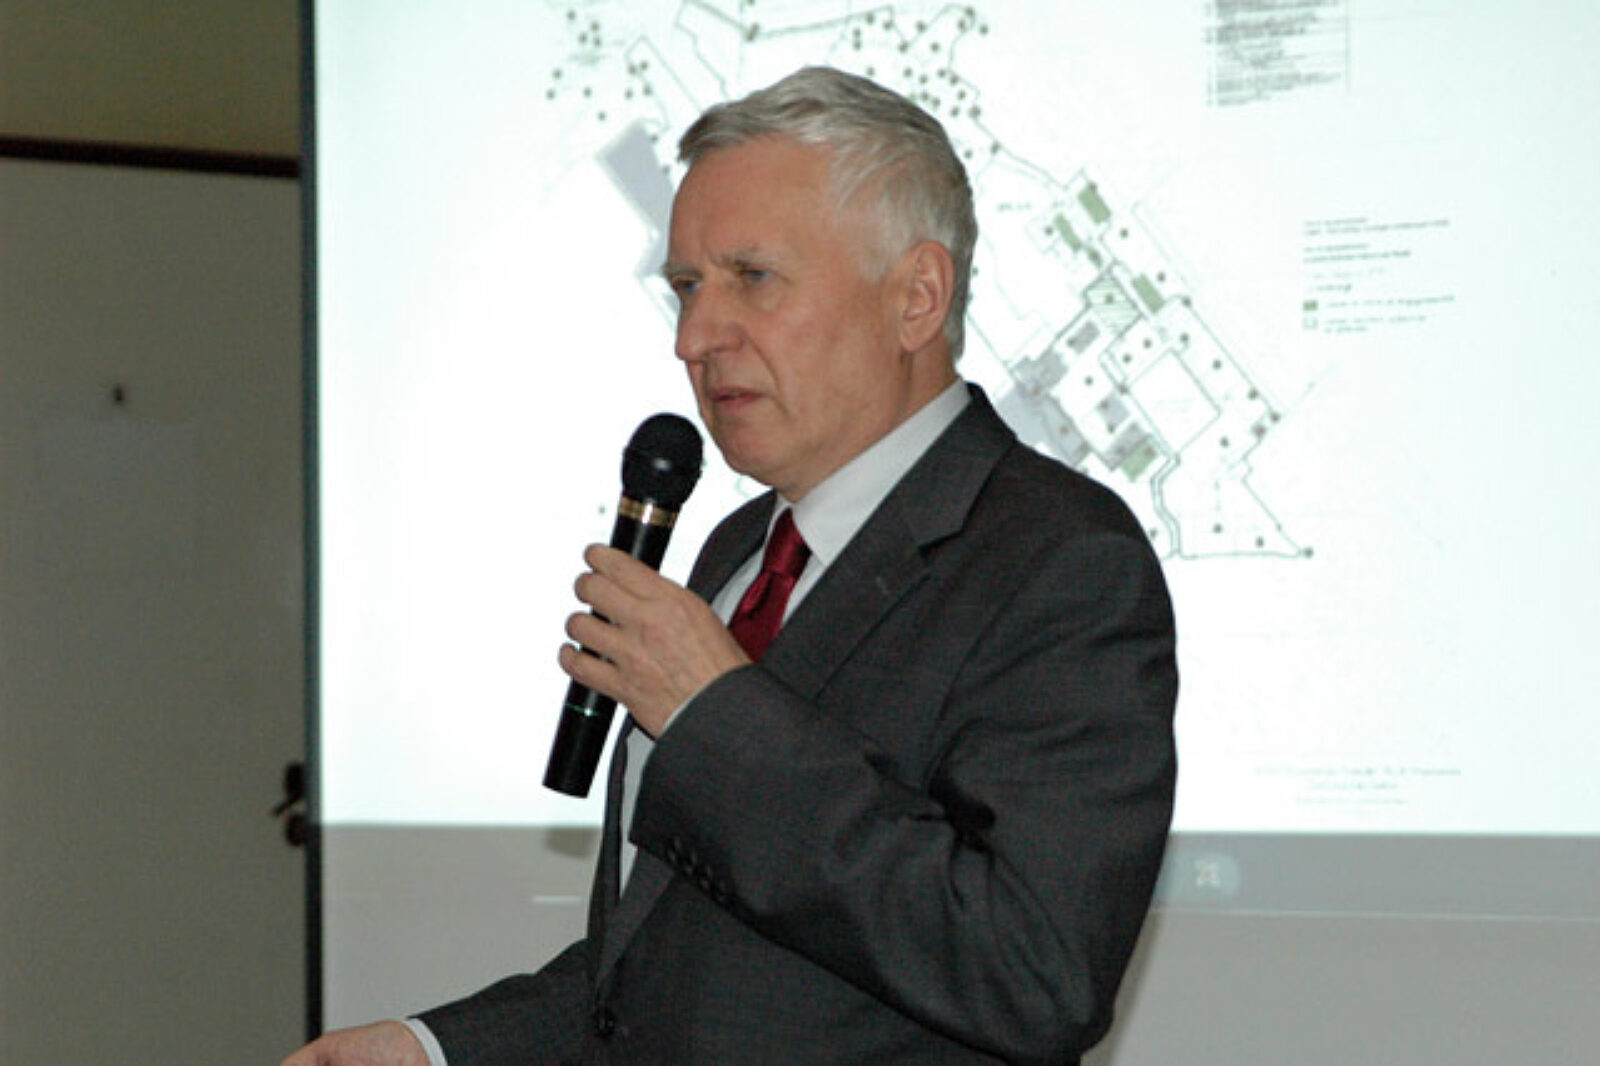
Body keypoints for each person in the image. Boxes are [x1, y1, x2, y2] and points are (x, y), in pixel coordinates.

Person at [285, 66, 1177, 1066]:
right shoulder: (737, 550)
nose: (693, 338)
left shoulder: (1057, 560)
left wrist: (716, 716)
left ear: (917, 297)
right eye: (685, 287)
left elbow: (1033, 972)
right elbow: (666, 969)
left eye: (752, 277)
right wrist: (436, 1050)